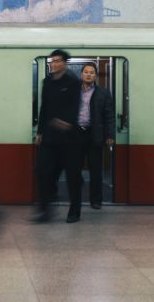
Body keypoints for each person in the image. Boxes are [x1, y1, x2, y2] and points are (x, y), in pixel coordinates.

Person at [33, 49, 81, 223]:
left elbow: (76, 106)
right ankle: (44, 209)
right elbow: (44, 107)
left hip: (69, 138)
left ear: (65, 63)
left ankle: (75, 210)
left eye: (58, 60)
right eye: (52, 61)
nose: (54, 63)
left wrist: (67, 121)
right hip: (49, 136)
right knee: (42, 171)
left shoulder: (73, 82)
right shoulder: (47, 82)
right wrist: (39, 132)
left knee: (72, 175)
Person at [75, 63, 115, 212]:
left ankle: (96, 200)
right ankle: (76, 198)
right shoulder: (74, 91)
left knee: (96, 170)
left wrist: (110, 134)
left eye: (92, 72)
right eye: (86, 72)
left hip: (94, 134)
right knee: (74, 169)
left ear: (96, 76)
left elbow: (109, 115)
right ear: (81, 74)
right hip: (77, 134)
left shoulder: (103, 93)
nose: (89, 74)